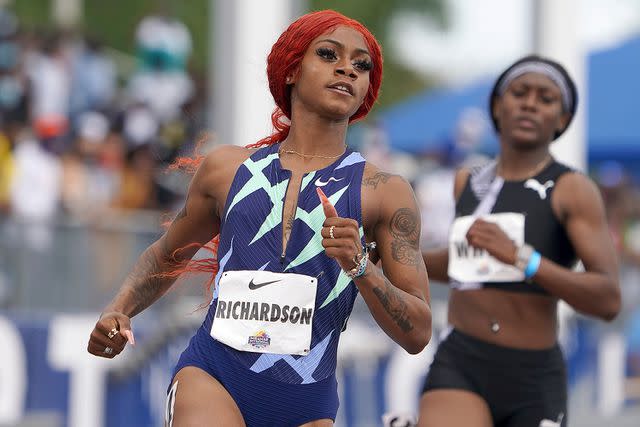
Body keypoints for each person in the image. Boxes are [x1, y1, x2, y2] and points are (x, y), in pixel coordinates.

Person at [87, 10, 432, 427]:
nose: (347, 68)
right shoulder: (226, 170)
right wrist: (119, 309)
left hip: (307, 400)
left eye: (362, 65)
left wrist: (361, 268)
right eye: (329, 54)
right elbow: (167, 254)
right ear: (290, 70)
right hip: (214, 374)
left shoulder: (384, 192)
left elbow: (417, 333)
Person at [418, 55, 621, 427]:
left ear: (562, 119)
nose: (530, 103)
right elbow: (465, 265)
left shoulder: (572, 189)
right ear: (497, 106)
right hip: (461, 360)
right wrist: (392, 256)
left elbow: (608, 298)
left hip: (532, 375)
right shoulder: (468, 181)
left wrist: (523, 259)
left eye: (545, 98)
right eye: (520, 92)